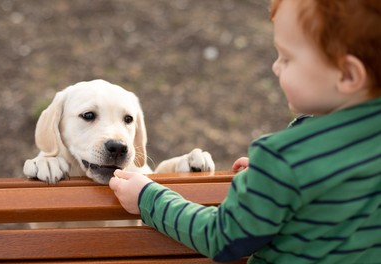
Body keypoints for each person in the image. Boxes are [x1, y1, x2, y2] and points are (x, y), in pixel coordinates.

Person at [109, 0, 381, 262]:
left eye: (287, 58)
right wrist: (271, 180)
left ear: (347, 74)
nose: (276, 67)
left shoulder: (283, 158)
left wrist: (148, 199)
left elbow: (224, 238)